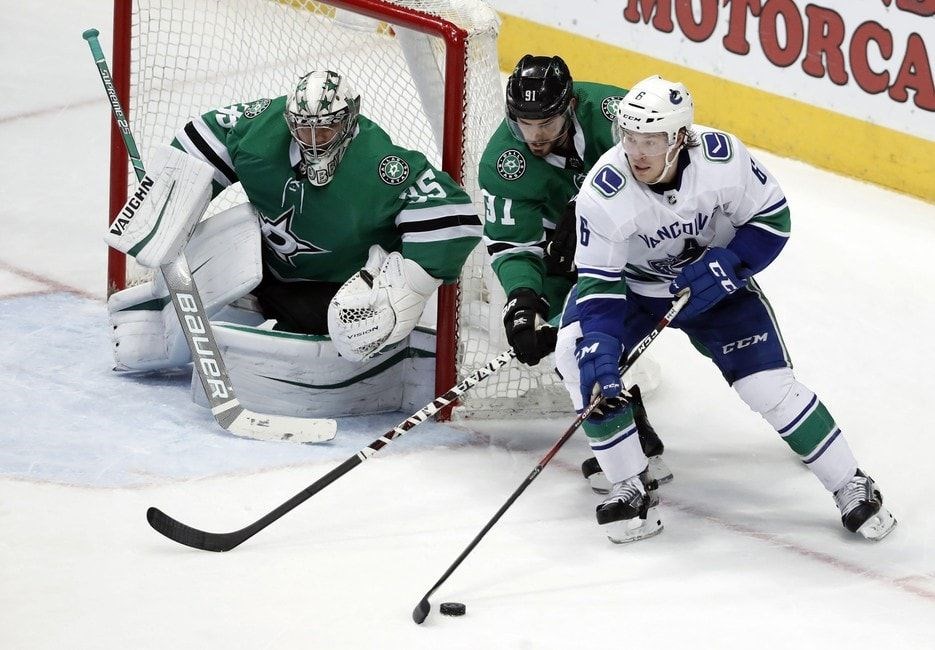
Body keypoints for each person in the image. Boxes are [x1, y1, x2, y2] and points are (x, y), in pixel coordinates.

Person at [556, 74, 897, 543]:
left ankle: (851, 484)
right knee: (580, 359)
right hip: (635, 293)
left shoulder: (722, 159)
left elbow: (773, 219)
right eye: (629, 137)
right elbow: (599, 283)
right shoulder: (605, 191)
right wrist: (599, 344)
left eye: (651, 140)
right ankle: (631, 486)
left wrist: (731, 263)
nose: (637, 152)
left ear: (679, 138)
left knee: (769, 390)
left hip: (718, 293)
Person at [107, 70, 482, 417]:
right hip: (268, 267)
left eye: (326, 129)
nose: (313, 141)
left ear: (349, 119)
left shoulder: (382, 165)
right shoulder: (258, 134)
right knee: (214, 250)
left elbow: (455, 217)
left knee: (354, 328)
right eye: (303, 129)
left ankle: (392, 363)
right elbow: (204, 133)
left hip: (332, 290)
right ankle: (163, 314)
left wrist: (406, 289)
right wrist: (168, 199)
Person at [478, 54, 670, 486]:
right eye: (525, 123)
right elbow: (514, 243)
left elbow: (672, 161)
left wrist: (590, 205)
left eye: (545, 122)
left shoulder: (614, 114)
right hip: (568, 259)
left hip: (649, 243)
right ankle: (635, 449)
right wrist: (523, 298)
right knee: (578, 350)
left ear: (569, 106)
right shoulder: (501, 164)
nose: (535, 135)